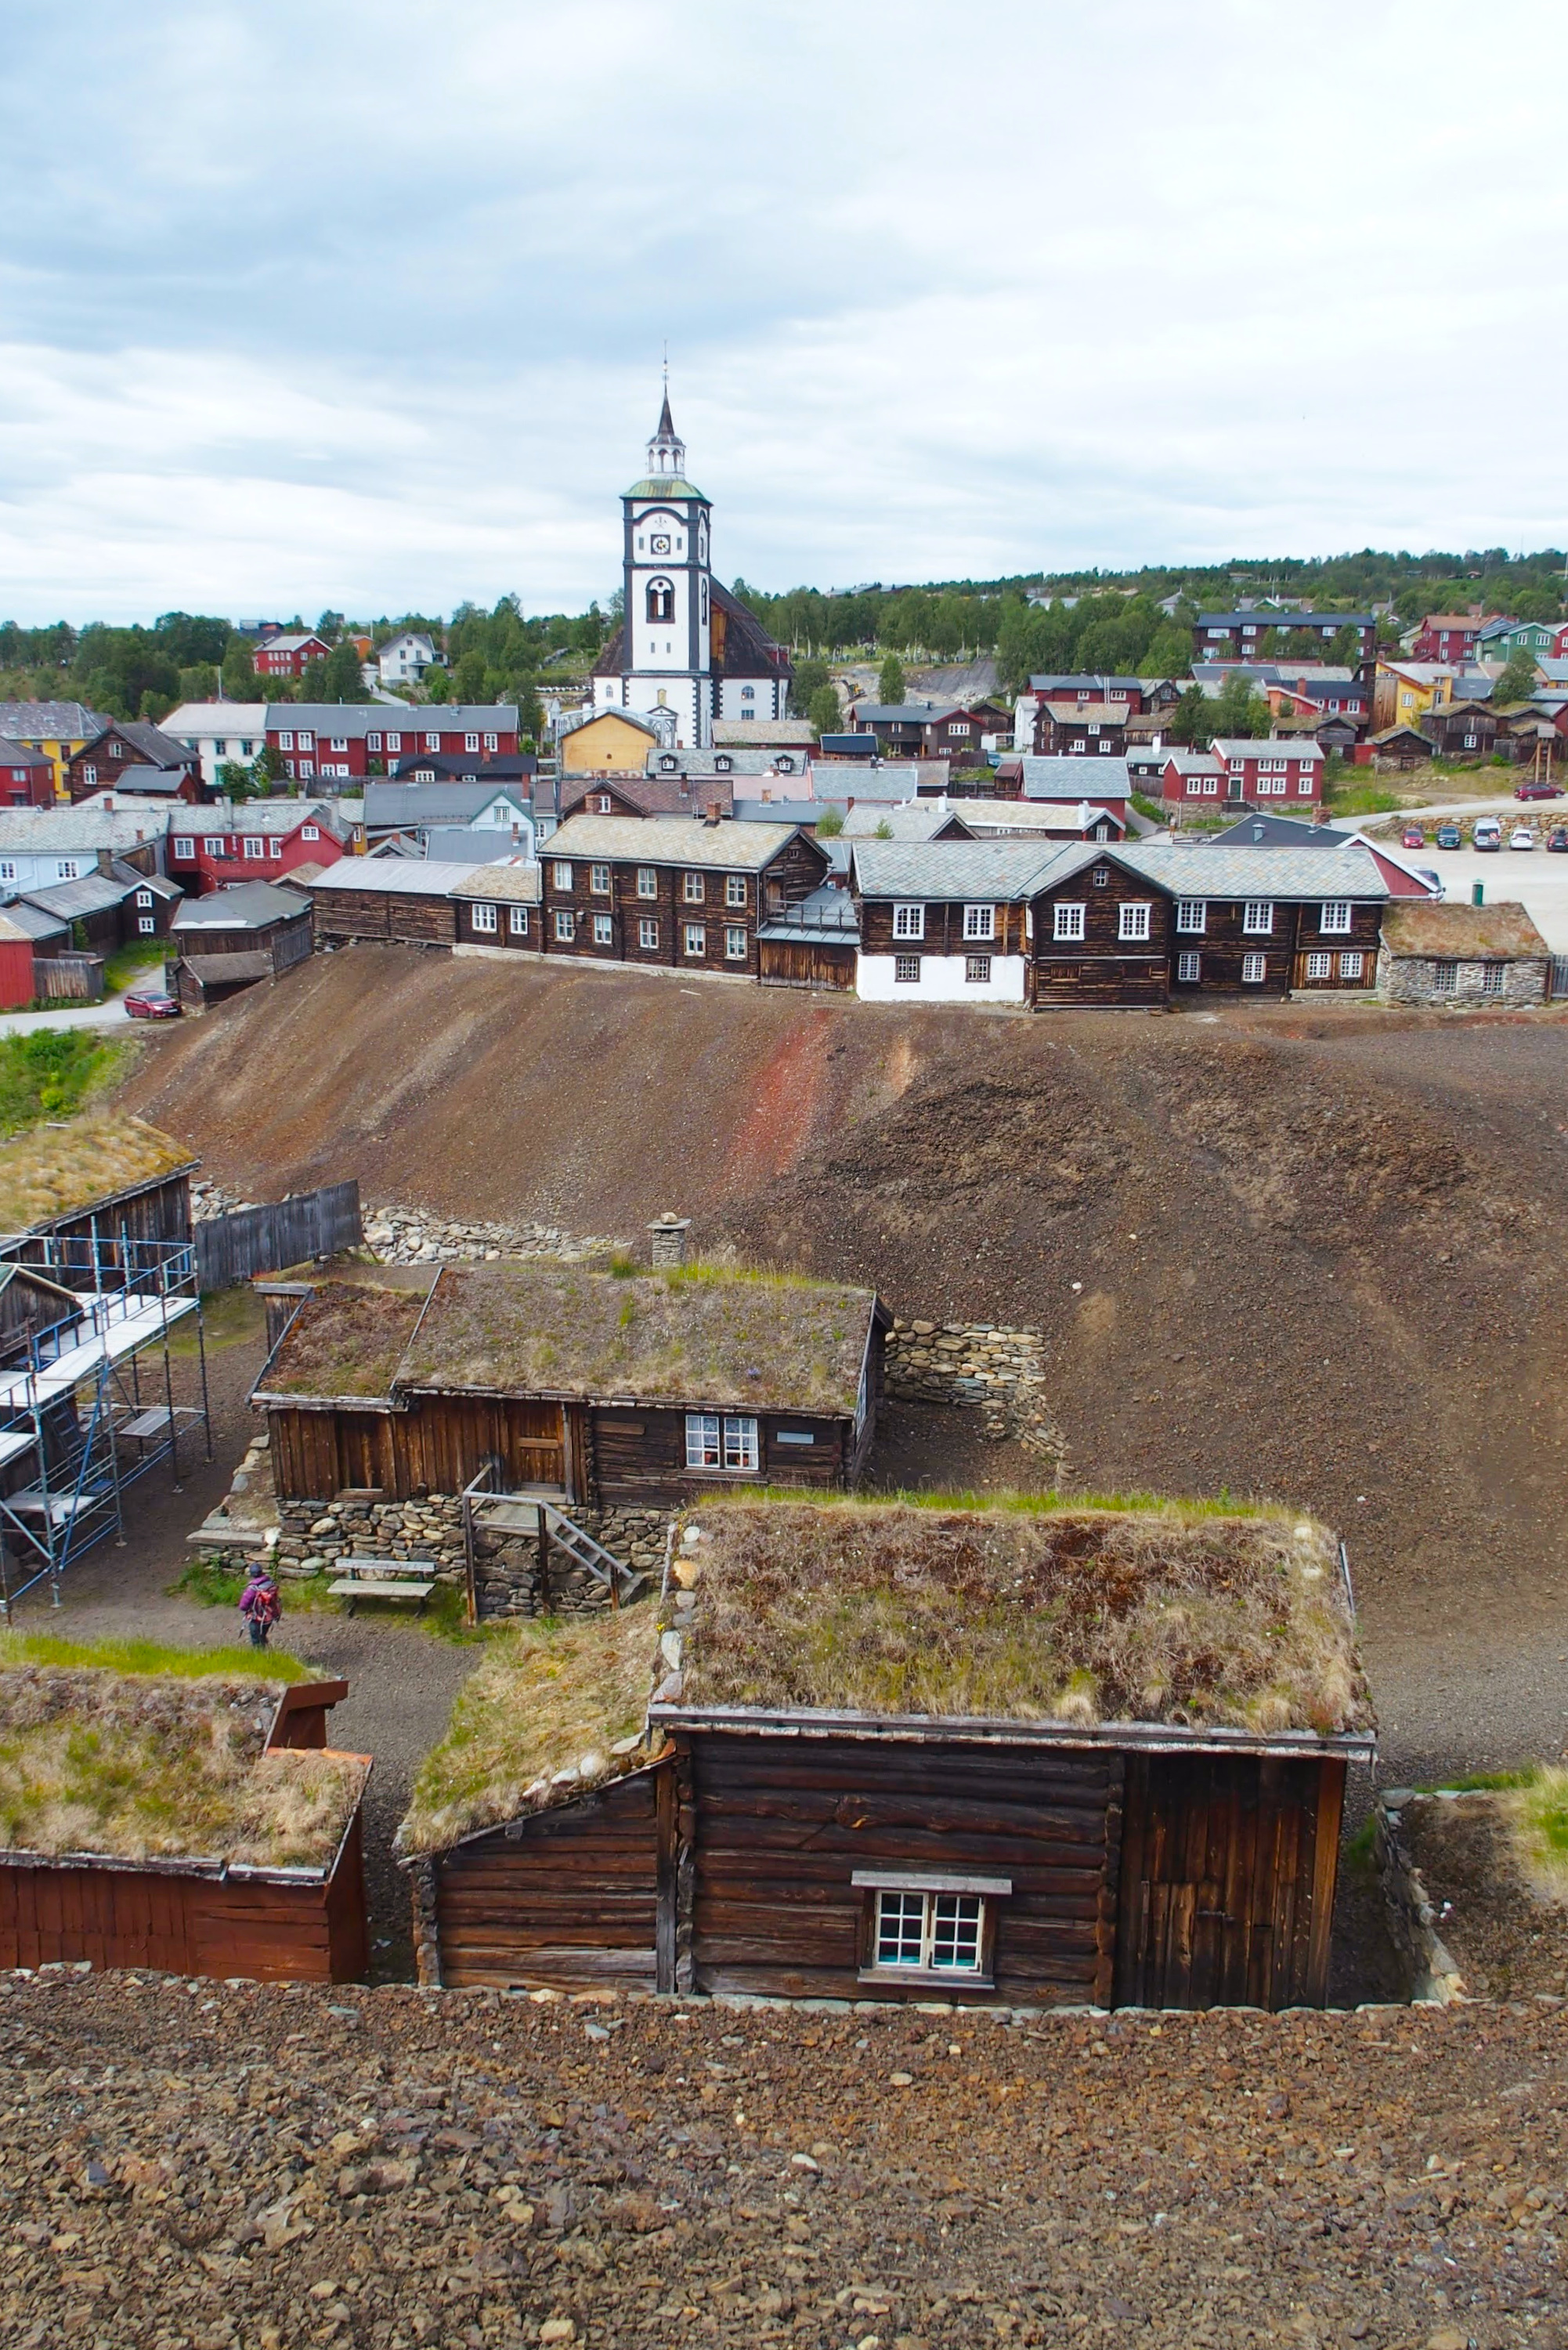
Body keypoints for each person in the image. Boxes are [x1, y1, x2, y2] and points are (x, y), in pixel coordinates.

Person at [239, 1560, 282, 1650]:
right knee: (262, 1635)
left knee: (255, 1638)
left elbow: (243, 1606)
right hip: (270, 1616)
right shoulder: (270, 1583)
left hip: (256, 1618)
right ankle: (267, 1652)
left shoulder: (252, 1588)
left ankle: (259, 1656)